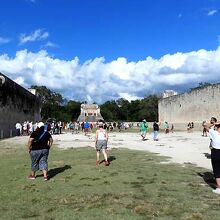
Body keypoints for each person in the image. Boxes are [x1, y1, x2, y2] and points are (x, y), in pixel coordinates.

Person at [203, 121, 220, 194]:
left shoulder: (214, 133)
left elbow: (205, 126)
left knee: (217, 171)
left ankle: (219, 188)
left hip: (216, 153)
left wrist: (213, 123)